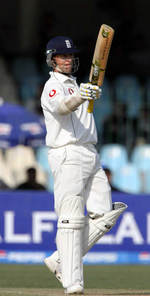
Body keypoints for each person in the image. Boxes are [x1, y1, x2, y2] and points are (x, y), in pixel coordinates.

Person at [41, 36, 127, 295]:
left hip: (90, 152)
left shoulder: (78, 84)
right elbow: (63, 107)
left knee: (105, 215)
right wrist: (80, 96)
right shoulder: (52, 86)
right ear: (52, 59)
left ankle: (60, 259)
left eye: (70, 56)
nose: (68, 60)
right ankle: (72, 282)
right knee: (71, 219)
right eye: (62, 56)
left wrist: (84, 92)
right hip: (67, 153)